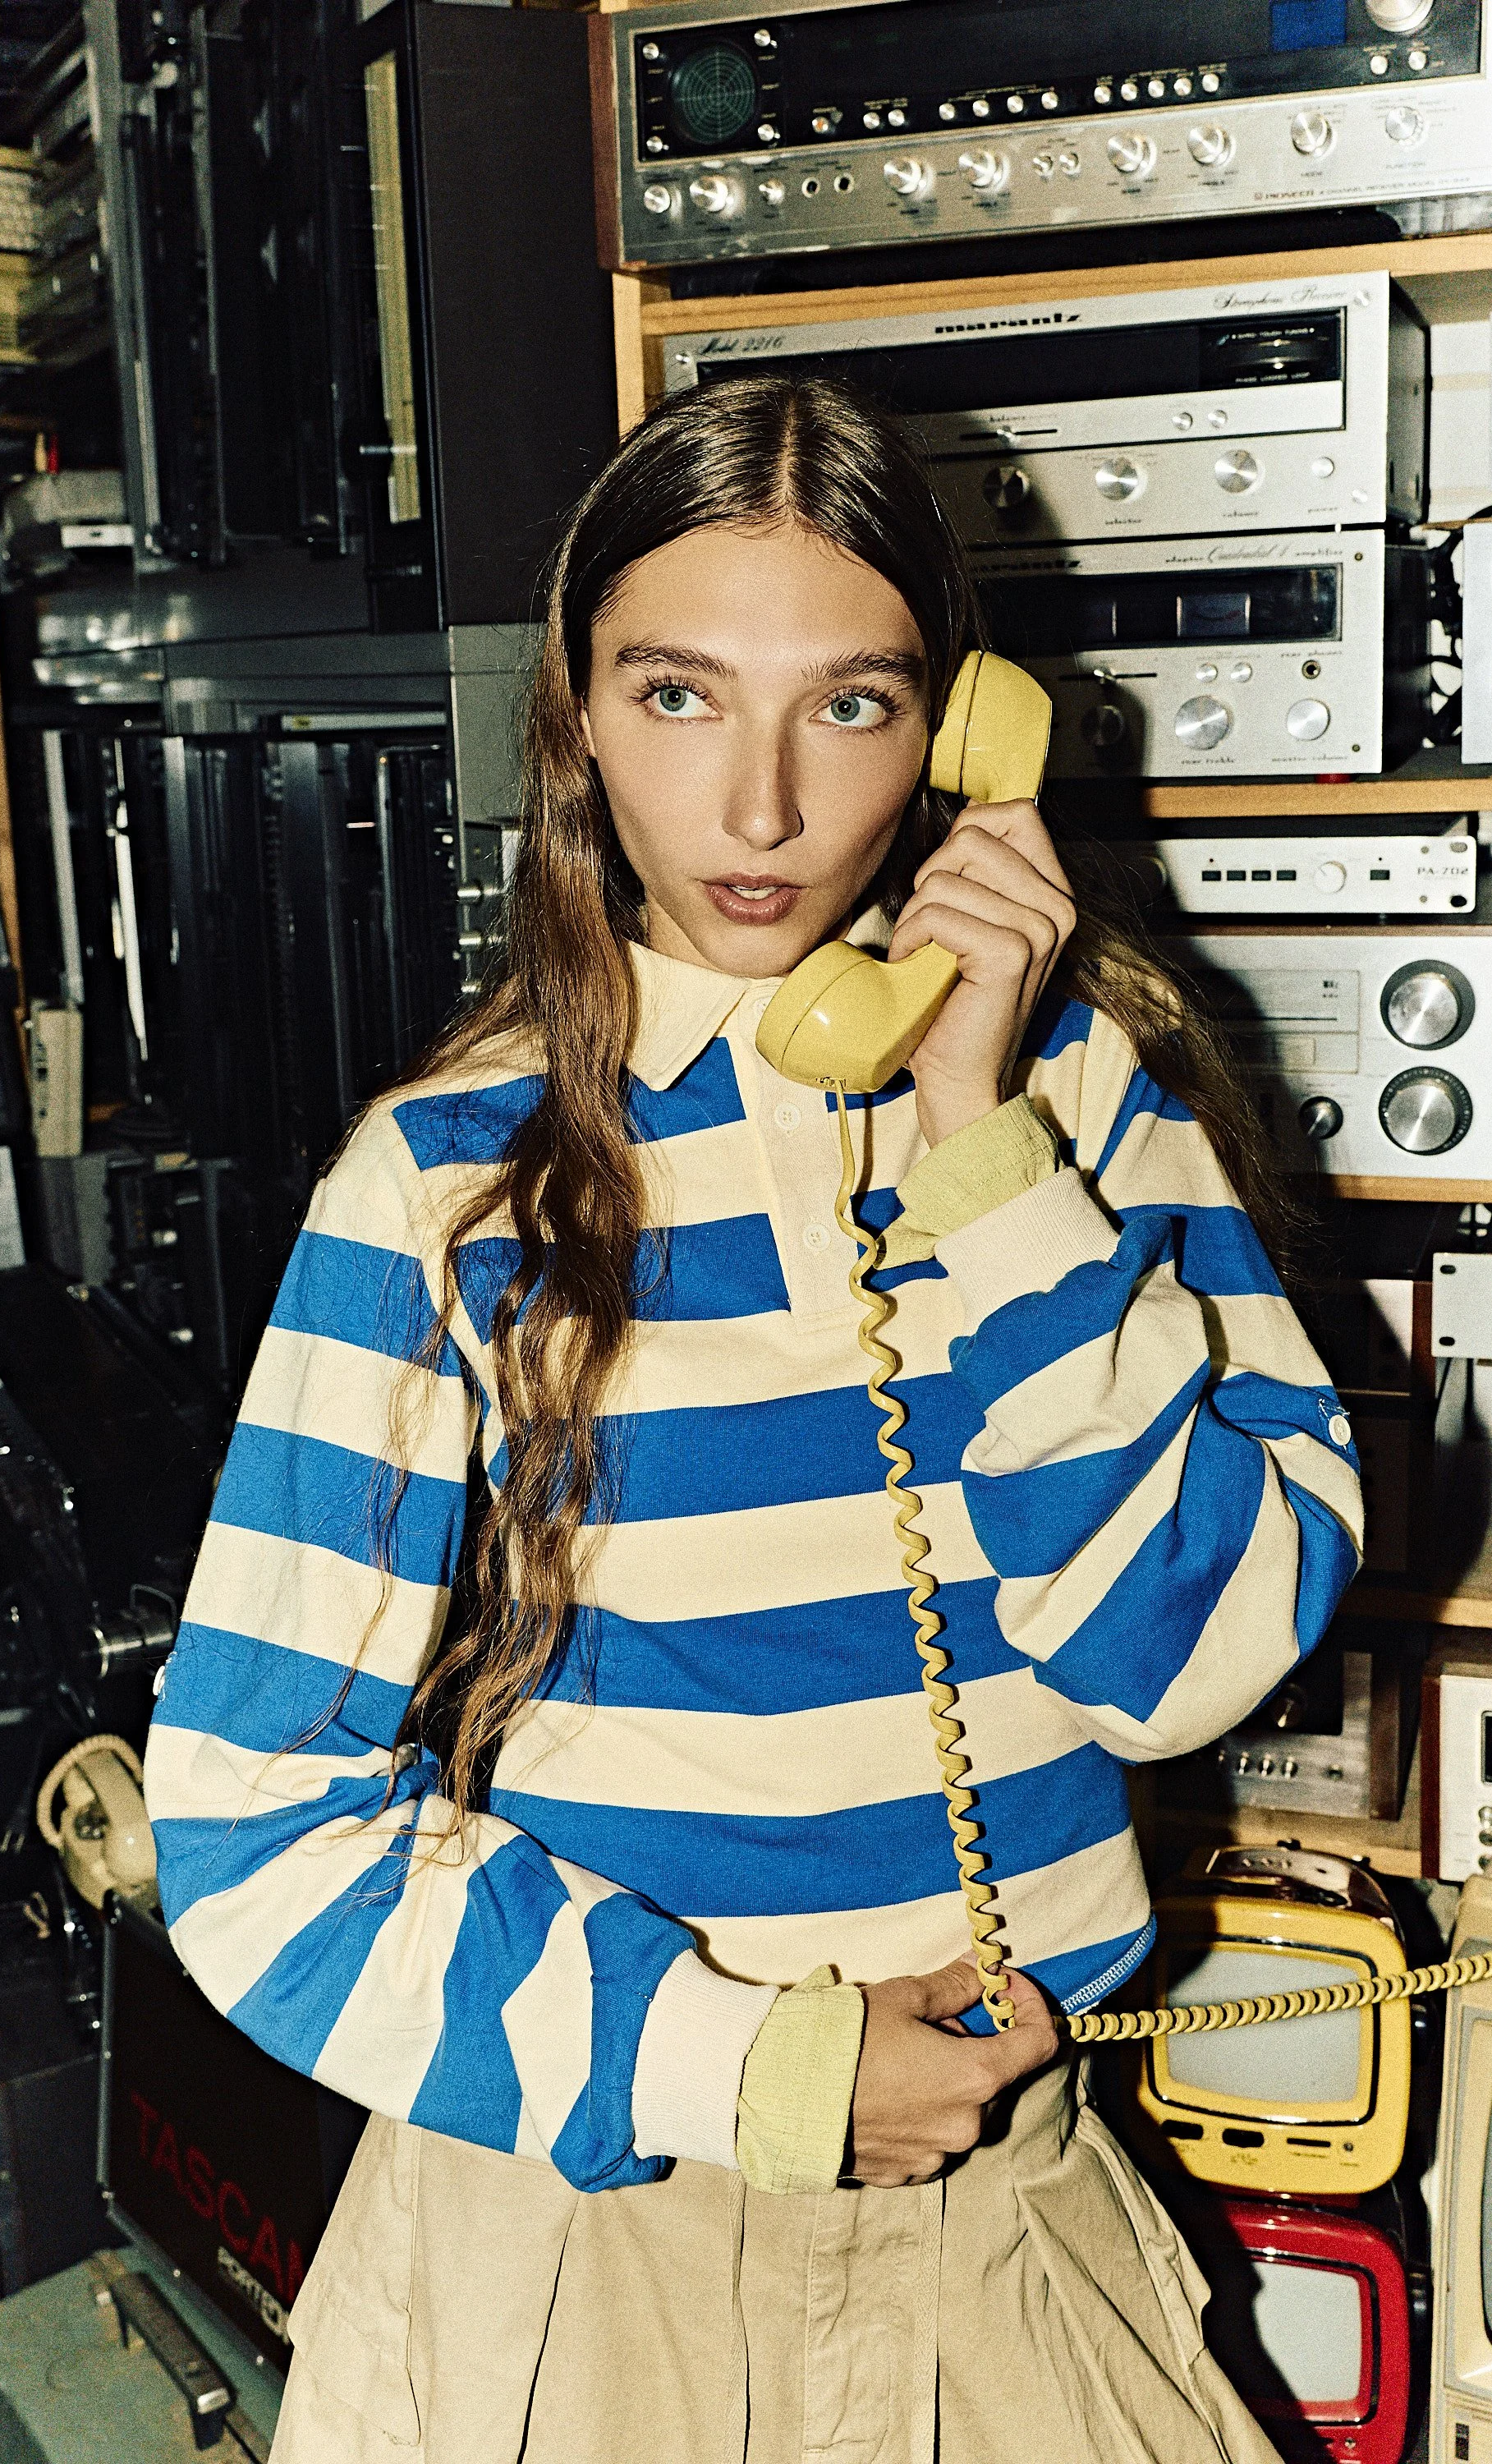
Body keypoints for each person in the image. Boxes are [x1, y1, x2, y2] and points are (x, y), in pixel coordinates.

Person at [143, 375, 1361, 2464]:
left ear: (961, 733)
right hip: (578, 2252)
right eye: (683, 699)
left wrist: (979, 1151)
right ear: (581, 718)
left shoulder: (1087, 1117)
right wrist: (747, 2070)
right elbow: (249, 1831)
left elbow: (1185, 1665)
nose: (767, 812)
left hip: (1006, 2240)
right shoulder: (445, 1179)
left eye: (857, 705)